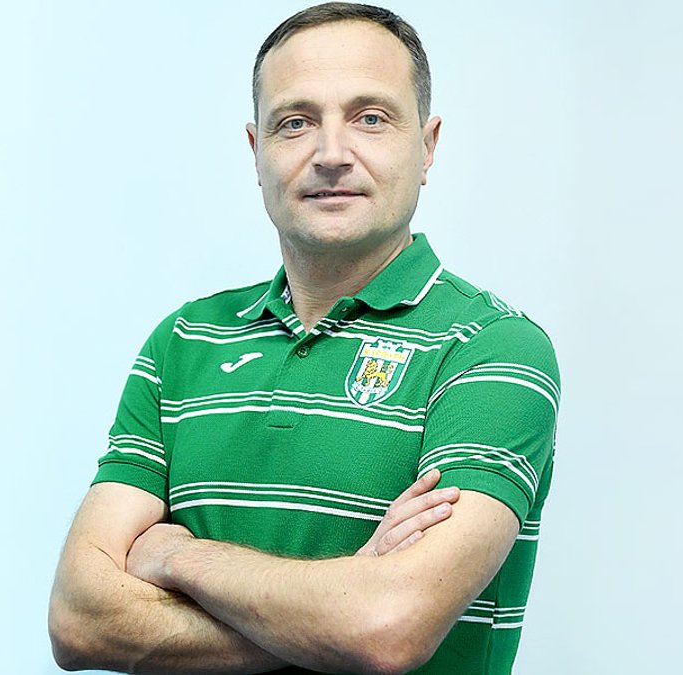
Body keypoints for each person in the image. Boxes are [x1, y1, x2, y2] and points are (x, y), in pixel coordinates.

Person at [48, 3, 560, 673]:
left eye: (370, 118)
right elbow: (79, 621)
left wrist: (177, 555)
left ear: (427, 146)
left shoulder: (491, 349)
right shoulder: (184, 343)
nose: (331, 154)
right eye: (295, 122)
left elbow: (386, 628)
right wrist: (341, 602)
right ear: (257, 153)